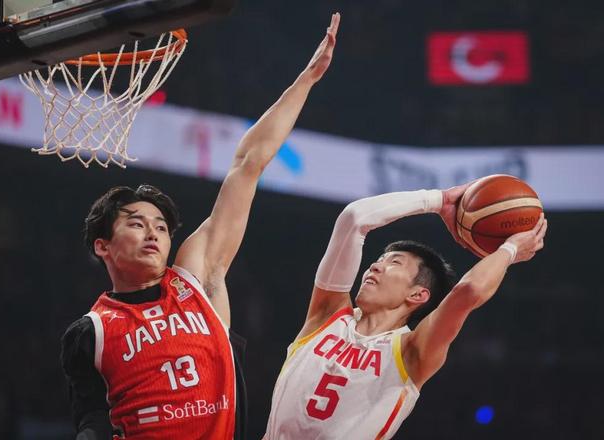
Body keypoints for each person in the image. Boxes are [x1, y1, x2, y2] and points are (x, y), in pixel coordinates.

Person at [60, 13, 341, 440]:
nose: (153, 233)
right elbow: (91, 419)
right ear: (103, 246)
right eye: (136, 223)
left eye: (161, 226)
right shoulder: (91, 332)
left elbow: (248, 164)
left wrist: (307, 79)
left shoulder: (196, 278)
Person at [264, 182, 547, 439]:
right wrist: (438, 200)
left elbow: (469, 290)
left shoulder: (411, 351)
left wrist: (510, 249)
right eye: (379, 260)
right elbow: (354, 218)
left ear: (417, 294)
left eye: (394, 263)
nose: (374, 267)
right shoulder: (327, 317)